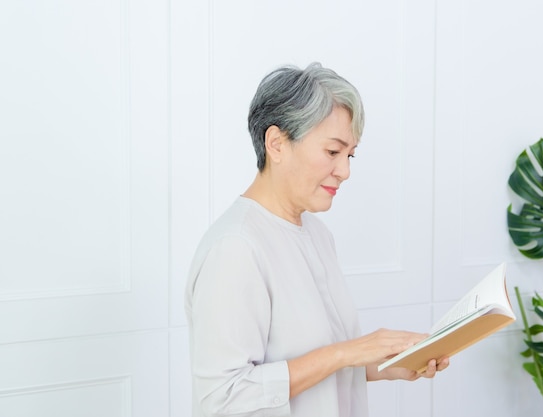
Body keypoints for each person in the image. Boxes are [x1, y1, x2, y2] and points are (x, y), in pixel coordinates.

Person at [184, 62, 449, 417]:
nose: (346, 171)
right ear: (276, 143)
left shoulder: (317, 235)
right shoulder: (235, 248)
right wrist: (347, 352)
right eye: (332, 152)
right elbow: (223, 398)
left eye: (350, 154)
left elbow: (314, 367)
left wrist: (390, 365)